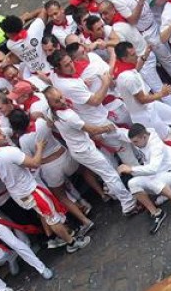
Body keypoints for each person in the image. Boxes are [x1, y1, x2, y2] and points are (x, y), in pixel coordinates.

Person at [0, 120, 90, 254]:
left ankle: (60, 236)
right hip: (30, 191)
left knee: (45, 214)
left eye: (1, 131)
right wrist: (39, 148)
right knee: (51, 216)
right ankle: (71, 242)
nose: (3, 135)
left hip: (18, 192)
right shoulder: (9, 152)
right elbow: (34, 163)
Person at [41, 87, 139, 216]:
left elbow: (48, 121)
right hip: (84, 150)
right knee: (110, 175)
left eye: (61, 97)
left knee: (108, 172)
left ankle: (117, 195)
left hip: (79, 148)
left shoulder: (50, 112)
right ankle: (128, 204)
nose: (62, 101)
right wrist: (105, 128)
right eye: (57, 101)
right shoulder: (68, 116)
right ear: (51, 104)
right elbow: (92, 130)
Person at [117, 124, 171, 234]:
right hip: (158, 177)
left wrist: (130, 169)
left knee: (151, 180)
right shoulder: (142, 137)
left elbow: (153, 169)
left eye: (135, 142)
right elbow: (121, 133)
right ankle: (157, 213)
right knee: (132, 183)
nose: (134, 145)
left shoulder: (156, 145)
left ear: (144, 137)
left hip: (169, 174)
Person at [112, 42, 171, 138]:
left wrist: (145, 56)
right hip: (145, 115)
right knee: (167, 136)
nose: (136, 56)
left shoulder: (122, 68)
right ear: (124, 59)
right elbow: (142, 99)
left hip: (150, 106)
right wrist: (161, 94)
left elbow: (136, 70)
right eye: (133, 55)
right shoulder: (128, 77)